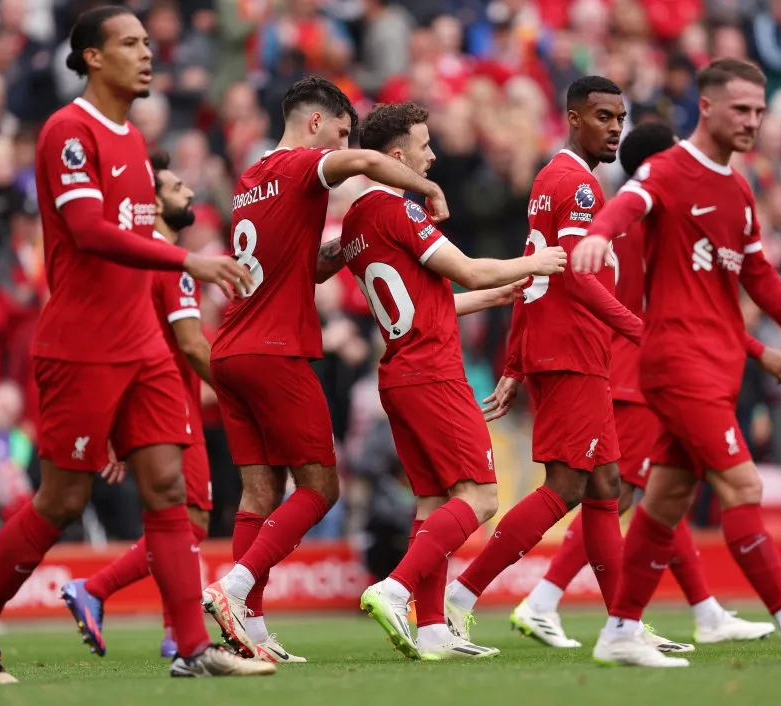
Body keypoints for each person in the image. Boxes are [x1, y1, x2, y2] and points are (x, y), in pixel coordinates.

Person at [0, 6, 270, 683]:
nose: (146, 54)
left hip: (143, 347)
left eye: (148, 43)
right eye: (129, 44)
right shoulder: (70, 131)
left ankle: (190, 648)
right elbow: (89, 232)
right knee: (62, 501)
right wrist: (186, 261)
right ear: (91, 56)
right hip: (82, 346)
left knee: (170, 488)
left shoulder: (128, 140)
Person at [571, 58, 781, 668]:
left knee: (667, 498)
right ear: (707, 108)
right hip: (679, 361)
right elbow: (630, 205)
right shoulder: (667, 170)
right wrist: (597, 231)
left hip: (718, 364)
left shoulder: (738, 189)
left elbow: (760, 275)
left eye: (759, 111)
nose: (753, 121)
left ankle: (621, 629)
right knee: (743, 484)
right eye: (741, 110)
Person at [201, 76, 454, 662]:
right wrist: (426, 187)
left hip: (232, 350)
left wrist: (338, 253)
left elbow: (298, 266)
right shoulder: (300, 163)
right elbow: (365, 159)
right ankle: (235, 590)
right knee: (321, 487)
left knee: (259, 493)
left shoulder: (250, 178)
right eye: (340, 131)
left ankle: (252, 633)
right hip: (275, 350)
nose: (344, 145)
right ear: (318, 123)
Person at [507, 123, 781, 649]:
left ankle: (703, 611)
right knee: (619, 491)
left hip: (625, 364)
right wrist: (757, 349)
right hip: (637, 371)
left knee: (656, 492)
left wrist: (515, 363)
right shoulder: (653, 222)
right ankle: (542, 599)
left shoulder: (625, 214)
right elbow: (684, 311)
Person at [344, 102, 567, 660]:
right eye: (424, 144)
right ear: (396, 155)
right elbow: (467, 267)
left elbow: (422, 301)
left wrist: (492, 295)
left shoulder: (355, 222)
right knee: (481, 496)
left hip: (399, 371)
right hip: (433, 371)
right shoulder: (401, 211)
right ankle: (395, 588)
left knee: (432, 503)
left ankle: (433, 627)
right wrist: (536, 262)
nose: (433, 154)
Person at [441, 76, 649, 645]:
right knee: (566, 486)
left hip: (564, 347)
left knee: (604, 484)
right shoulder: (577, 186)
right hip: (573, 350)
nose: (615, 128)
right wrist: (637, 329)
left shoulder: (549, 180)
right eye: (603, 117)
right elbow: (572, 275)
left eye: (620, 118)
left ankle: (624, 624)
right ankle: (461, 595)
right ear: (573, 118)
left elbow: (533, 273)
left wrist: (513, 363)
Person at [59, 151, 225, 660]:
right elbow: (194, 346)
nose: (189, 193)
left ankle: (175, 631)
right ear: (151, 204)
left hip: (155, 406)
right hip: (170, 407)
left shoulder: (136, 260)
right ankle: (101, 590)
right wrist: (245, 394)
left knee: (176, 517)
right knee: (191, 519)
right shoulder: (170, 265)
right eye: (176, 188)